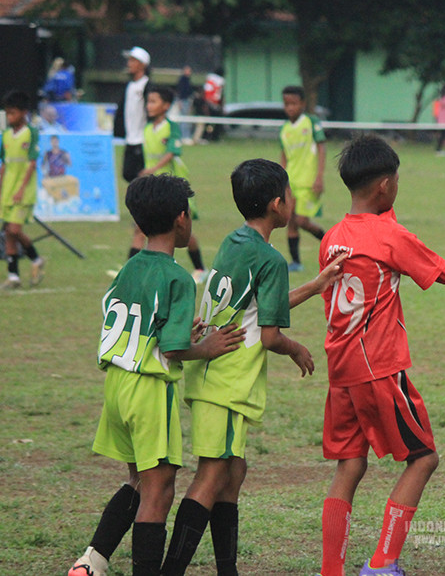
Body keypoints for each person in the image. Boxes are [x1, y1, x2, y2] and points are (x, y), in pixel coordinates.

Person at [317, 134, 445, 576]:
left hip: (341, 369)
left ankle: (331, 570)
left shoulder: (333, 236)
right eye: (396, 180)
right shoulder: (391, 236)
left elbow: (378, 238)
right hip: (379, 369)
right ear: (385, 185)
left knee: (350, 465)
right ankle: (382, 564)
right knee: (423, 458)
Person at [158, 159, 347, 576]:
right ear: (278, 205)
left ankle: (228, 569)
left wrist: (315, 286)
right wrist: (295, 348)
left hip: (211, 375)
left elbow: (259, 308)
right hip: (227, 379)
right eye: (290, 196)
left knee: (234, 470)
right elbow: (269, 335)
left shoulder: (235, 242)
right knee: (211, 477)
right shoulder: (271, 260)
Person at [67, 174, 245, 576]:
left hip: (116, 385)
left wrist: (181, 333)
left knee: (137, 478)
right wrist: (206, 348)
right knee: (159, 490)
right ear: (182, 219)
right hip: (149, 390)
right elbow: (172, 348)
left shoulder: (129, 268)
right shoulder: (178, 276)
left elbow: (142, 323)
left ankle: (91, 562)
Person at [129, 85, 208, 283]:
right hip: (154, 189)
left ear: (165, 106)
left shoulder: (171, 127)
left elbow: (172, 152)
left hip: (173, 188)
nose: (149, 105)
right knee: (140, 228)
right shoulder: (147, 129)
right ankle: (131, 271)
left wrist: (152, 170)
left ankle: (200, 267)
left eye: (153, 101)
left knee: (181, 231)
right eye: (148, 101)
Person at [0, 90, 45, 290]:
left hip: (23, 192)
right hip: (7, 191)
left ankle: (35, 258)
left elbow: (32, 163)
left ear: (24, 112)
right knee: (9, 233)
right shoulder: (6, 134)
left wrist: (21, 189)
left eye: (13, 113)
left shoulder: (31, 133)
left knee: (14, 230)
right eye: (7, 113)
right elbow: (4, 165)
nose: (10, 117)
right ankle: (13, 275)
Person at [279, 84, 327, 272]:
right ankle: (296, 262)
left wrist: (319, 177)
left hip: (308, 182)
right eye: (286, 104)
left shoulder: (311, 122)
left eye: (294, 103)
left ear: (303, 104)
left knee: (302, 221)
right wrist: (280, 180)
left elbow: (322, 148)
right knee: (290, 221)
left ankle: (328, 241)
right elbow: (283, 155)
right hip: (291, 182)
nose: (290, 107)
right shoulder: (284, 129)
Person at [117, 47, 150, 185]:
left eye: (133, 60)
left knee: (142, 177)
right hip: (130, 138)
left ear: (142, 64)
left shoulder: (147, 85)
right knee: (128, 174)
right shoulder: (129, 86)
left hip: (142, 139)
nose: (129, 64)